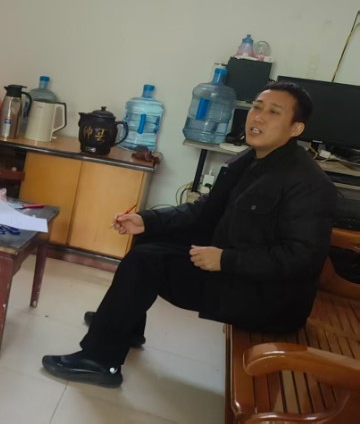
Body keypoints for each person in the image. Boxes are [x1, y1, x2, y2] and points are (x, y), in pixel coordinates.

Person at [42, 81, 337, 387]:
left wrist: (226, 260)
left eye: (274, 112)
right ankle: (124, 326)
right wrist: (147, 220)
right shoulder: (250, 159)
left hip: (267, 299)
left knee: (145, 262)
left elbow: (302, 259)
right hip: (239, 269)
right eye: (257, 107)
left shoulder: (308, 184)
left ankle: (100, 362)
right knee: (149, 238)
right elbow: (202, 211)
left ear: (296, 128)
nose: (258, 117)